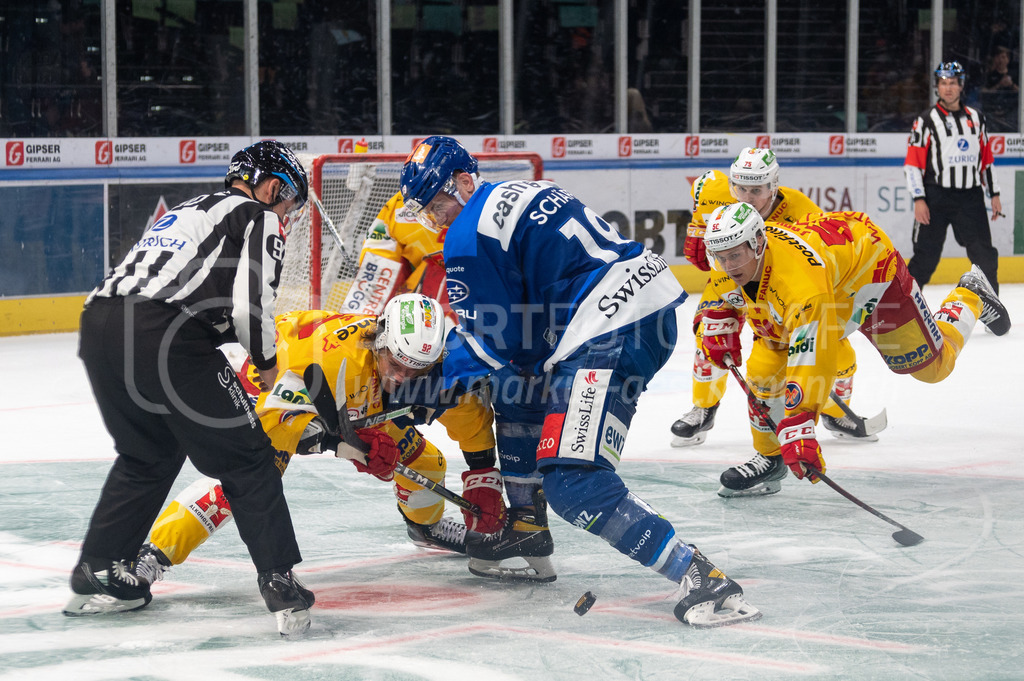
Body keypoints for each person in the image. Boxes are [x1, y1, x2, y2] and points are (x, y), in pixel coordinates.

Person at [398, 135, 762, 628]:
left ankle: (702, 577)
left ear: (465, 181)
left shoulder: (466, 235)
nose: (437, 219)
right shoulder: (525, 191)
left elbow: (489, 341)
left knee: (572, 481)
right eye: (428, 212)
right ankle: (527, 527)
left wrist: (420, 388)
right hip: (641, 314)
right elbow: (520, 343)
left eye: (438, 204)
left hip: (608, 333)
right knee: (519, 389)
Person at [67, 141, 316, 636]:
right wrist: (267, 369)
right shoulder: (257, 216)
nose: (286, 216)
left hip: (98, 324)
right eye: (288, 203)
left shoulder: (188, 211)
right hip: (163, 333)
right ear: (273, 187)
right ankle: (280, 582)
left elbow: (193, 292)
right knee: (248, 457)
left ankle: (99, 567)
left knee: (148, 454)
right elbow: (250, 309)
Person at [133, 294, 500, 587]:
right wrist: (348, 444)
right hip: (273, 388)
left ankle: (425, 526)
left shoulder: (426, 366)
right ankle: (154, 554)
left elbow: (467, 412)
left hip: (350, 402)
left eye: (416, 369)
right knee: (247, 480)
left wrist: (483, 474)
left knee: (425, 461)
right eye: (396, 364)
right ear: (381, 341)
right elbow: (277, 421)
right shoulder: (330, 358)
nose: (403, 377)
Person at [699, 203, 1010, 496]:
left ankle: (969, 294)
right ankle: (770, 457)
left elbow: (812, 355)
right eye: (720, 257)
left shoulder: (801, 288)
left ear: (757, 244)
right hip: (829, 276)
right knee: (766, 365)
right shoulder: (729, 258)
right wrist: (718, 314)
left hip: (869, 275)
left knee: (931, 368)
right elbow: (718, 291)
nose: (727, 266)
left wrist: (800, 421)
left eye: (735, 256)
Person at [673, 148, 877, 449]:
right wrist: (698, 226)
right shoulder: (718, 193)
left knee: (834, 350)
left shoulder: (803, 212)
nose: (746, 197)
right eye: (740, 188)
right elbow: (702, 187)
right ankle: (704, 408)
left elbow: (819, 266)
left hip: (780, 288)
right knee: (711, 335)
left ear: (773, 186)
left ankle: (836, 410)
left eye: (756, 190)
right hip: (731, 278)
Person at [905, 61, 1004, 296]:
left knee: (984, 256)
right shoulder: (926, 120)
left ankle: (994, 314)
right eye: (943, 83)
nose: (947, 88)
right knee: (925, 258)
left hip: (970, 197)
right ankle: (901, 309)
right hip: (935, 196)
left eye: (952, 83)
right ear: (937, 87)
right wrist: (919, 198)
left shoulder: (976, 118)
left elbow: (986, 160)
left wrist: (995, 193)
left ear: (961, 86)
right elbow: (912, 164)